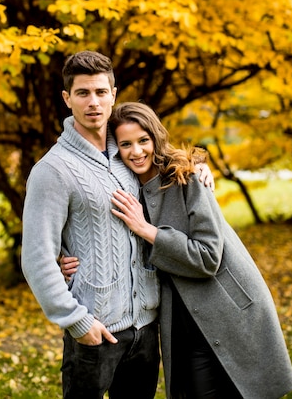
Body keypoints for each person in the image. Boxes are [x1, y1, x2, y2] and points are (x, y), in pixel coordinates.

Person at [21, 51, 213, 399]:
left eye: (100, 92)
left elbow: (171, 163)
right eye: (82, 93)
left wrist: (198, 167)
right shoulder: (52, 171)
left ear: (113, 94)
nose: (93, 102)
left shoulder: (131, 153)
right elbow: (36, 258)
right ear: (67, 99)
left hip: (146, 330)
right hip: (96, 334)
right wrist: (78, 323)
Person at [106, 102, 292, 399]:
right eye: (125, 144)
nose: (137, 151)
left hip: (226, 310)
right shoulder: (125, 190)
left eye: (143, 140)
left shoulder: (187, 177)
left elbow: (208, 256)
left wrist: (149, 231)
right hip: (180, 321)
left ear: (156, 137)